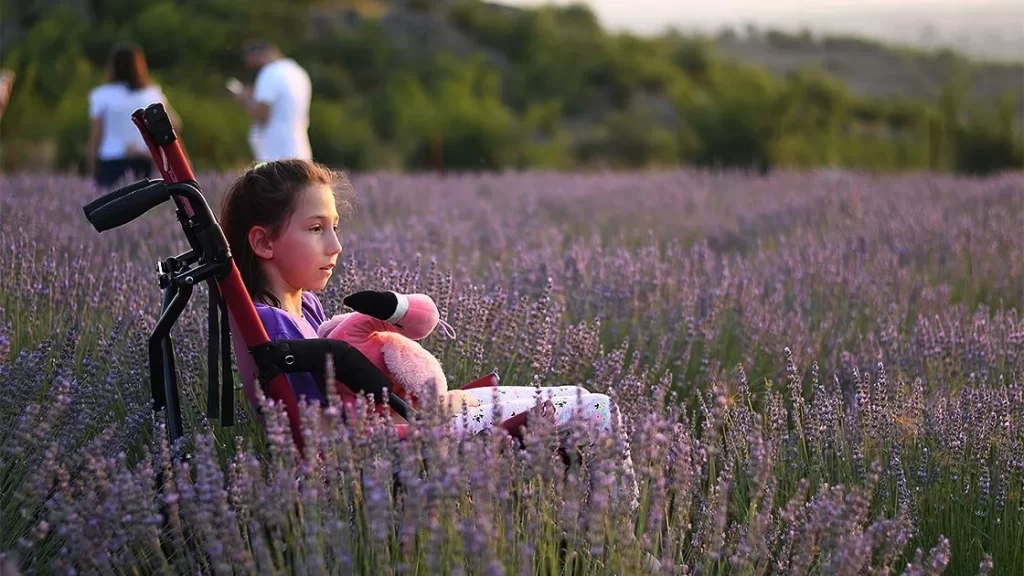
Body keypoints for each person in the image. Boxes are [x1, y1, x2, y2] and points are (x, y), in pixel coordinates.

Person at [218, 159, 639, 512]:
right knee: (595, 408)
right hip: (401, 442)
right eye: (316, 229)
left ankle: (591, 530)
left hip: (404, 425)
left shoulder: (301, 306)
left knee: (579, 403)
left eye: (335, 227)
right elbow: (326, 429)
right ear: (263, 242)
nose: (336, 245)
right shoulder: (272, 324)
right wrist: (422, 420)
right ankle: (623, 535)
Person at [87, 43, 181, 187]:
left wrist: (93, 170)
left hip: (111, 161)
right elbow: (176, 124)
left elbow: (96, 139)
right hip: (143, 159)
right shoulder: (151, 94)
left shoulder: (101, 95)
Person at [233, 40, 312, 163]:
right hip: (299, 150)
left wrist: (245, 99)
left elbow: (263, 113)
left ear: (259, 55)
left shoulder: (270, 72)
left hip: (275, 155)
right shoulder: (298, 71)